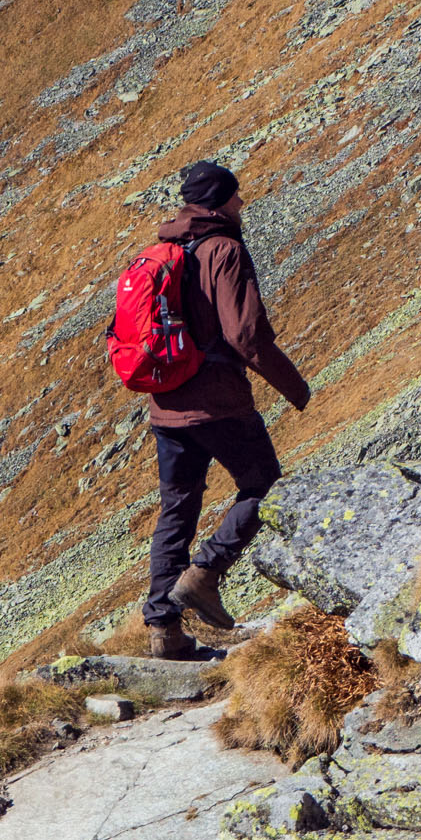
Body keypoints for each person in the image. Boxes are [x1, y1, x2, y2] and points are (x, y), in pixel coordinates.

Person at [144, 160, 311, 661]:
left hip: (167, 404)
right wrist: (295, 388)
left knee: (176, 509)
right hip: (217, 402)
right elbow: (244, 335)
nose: (243, 204)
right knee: (265, 486)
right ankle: (205, 575)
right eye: (236, 196)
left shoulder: (164, 250)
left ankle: (164, 632)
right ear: (218, 201)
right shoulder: (225, 250)